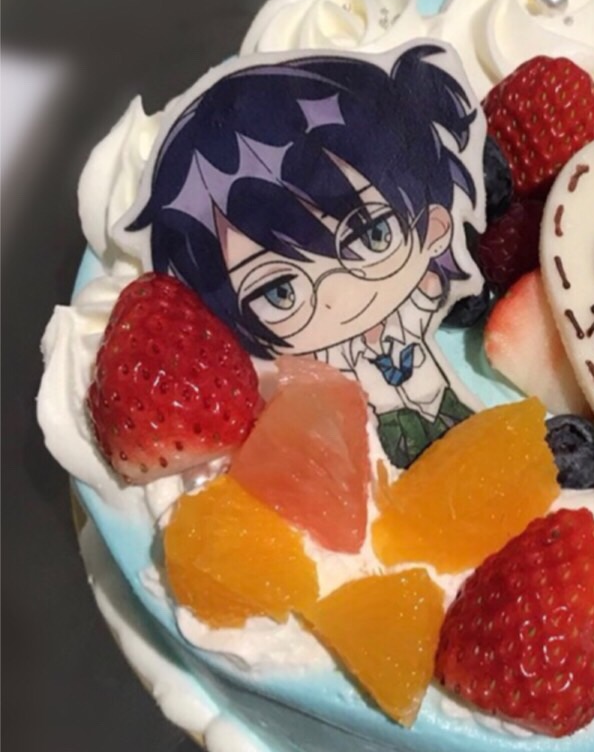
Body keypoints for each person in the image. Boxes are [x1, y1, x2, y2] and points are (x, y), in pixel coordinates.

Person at [127, 45, 483, 468]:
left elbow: (430, 293)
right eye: (278, 291)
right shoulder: (318, 365)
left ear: (434, 224)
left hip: (446, 402)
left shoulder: (416, 302)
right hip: (382, 433)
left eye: (371, 234)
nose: (334, 289)